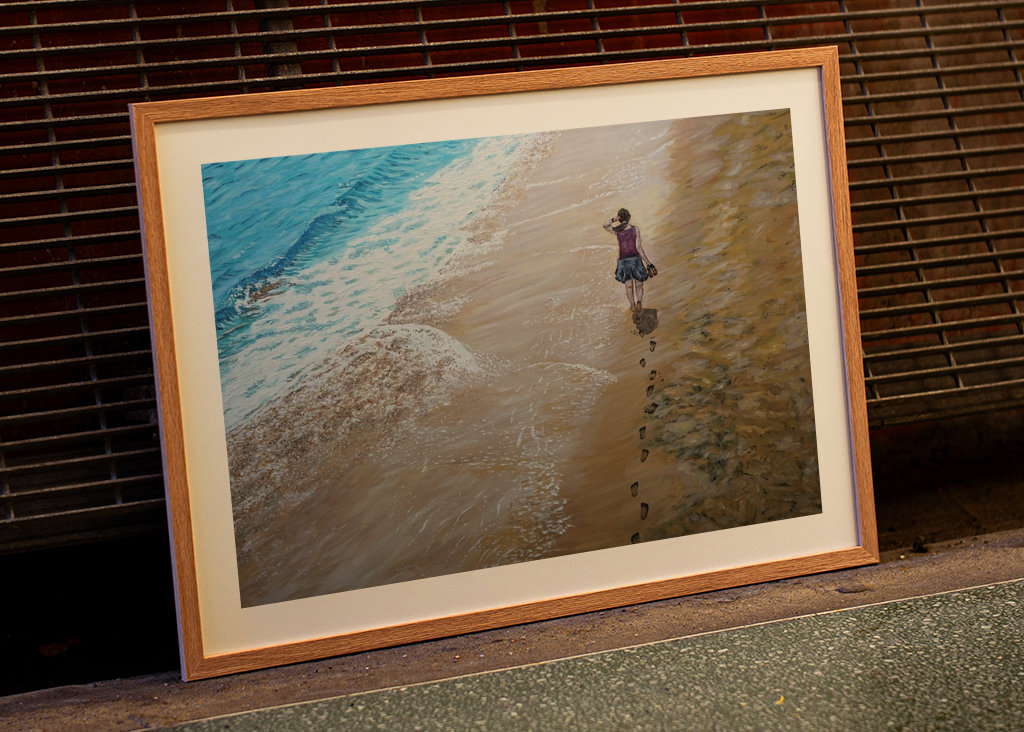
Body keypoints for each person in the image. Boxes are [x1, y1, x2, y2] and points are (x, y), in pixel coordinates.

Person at [603, 208, 654, 312]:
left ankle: (633, 305)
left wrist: (614, 219)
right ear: (629, 217)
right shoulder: (635, 229)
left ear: (620, 219)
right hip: (635, 259)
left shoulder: (617, 231)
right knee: (639, 284)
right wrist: (648, 263)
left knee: (629, 286)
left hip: (623, 261)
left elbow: (605, 225)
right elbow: (639, 247)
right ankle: (639, 302)